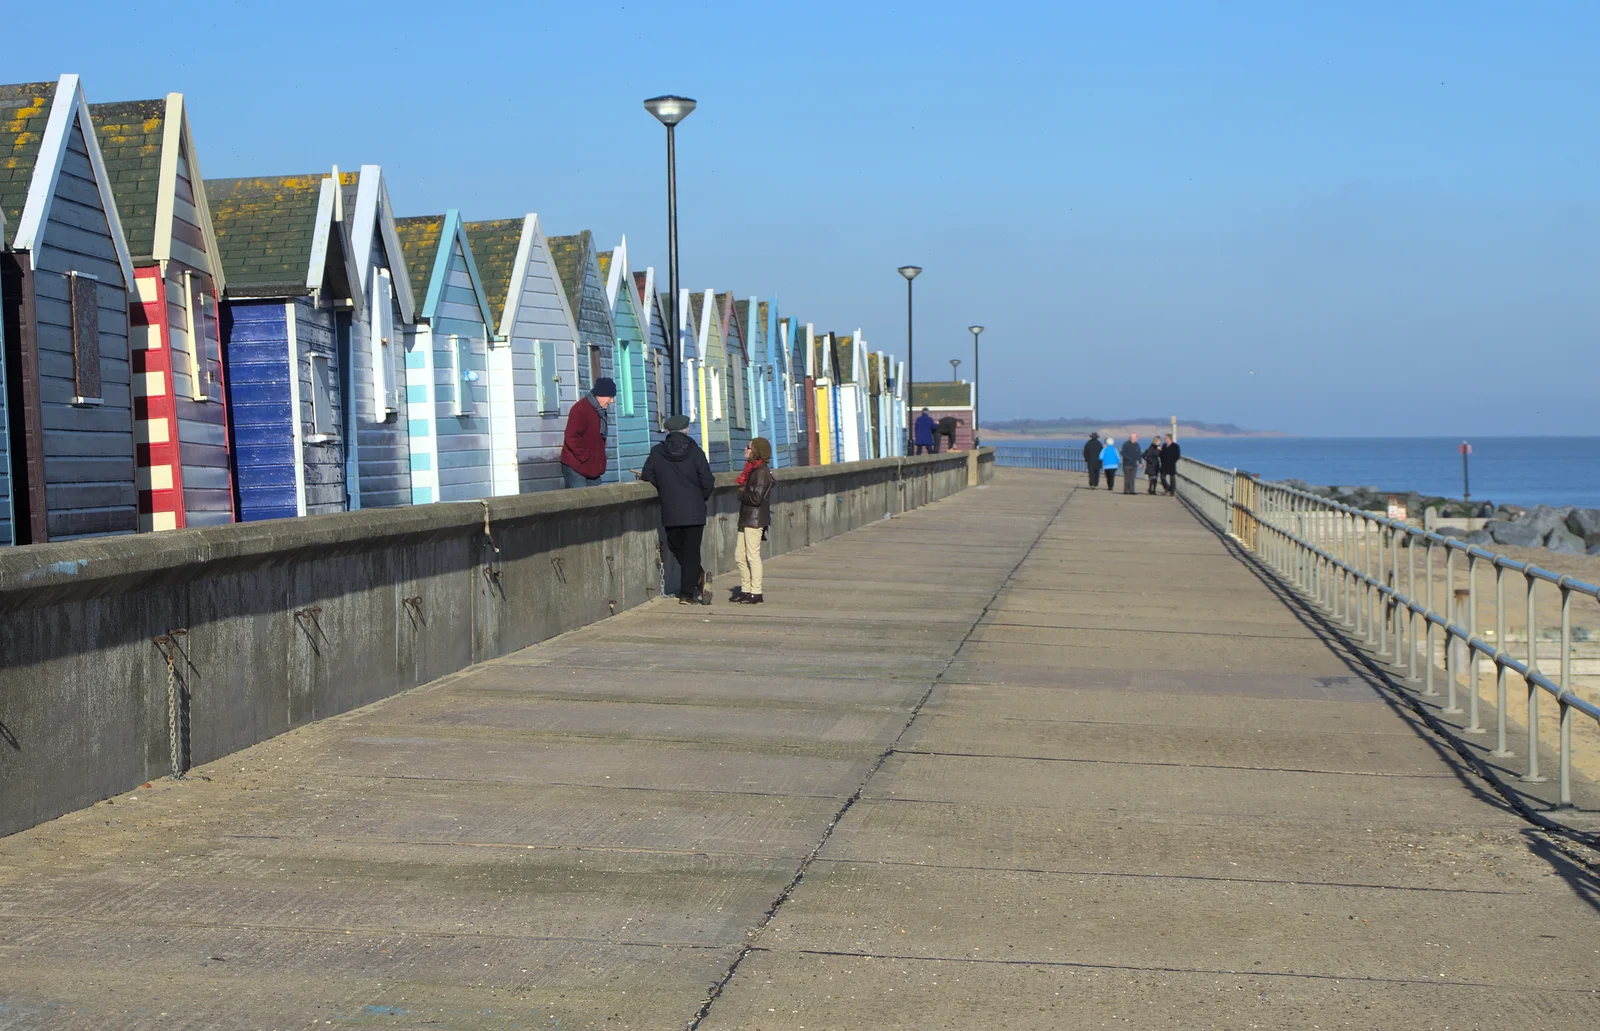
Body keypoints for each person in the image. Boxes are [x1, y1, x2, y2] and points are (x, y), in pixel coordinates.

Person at [640, 413, 716, 605]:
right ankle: (686, 593)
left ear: (668, 430)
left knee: (677, 547)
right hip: (694, 512)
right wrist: (700, 498)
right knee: (691, 552)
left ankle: (696, 578)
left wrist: (665, 488)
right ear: (686, 430)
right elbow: (708, 481)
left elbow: (647, 475)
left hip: (671, 510)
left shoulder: (657, 452)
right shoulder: (696, 452)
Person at [732, 437, 775, 604]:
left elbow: (756, 498)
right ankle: (746, 589)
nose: (745, 450)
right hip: (747, 518)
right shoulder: (752, 469)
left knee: (752, 556)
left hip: (755, 519)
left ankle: (756, 592)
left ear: (756, 451)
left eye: (748, 447)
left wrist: (741, 494)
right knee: (739, 556)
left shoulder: (761, 472)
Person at [560, 377, 616, 487]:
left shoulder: (601, 412)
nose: (612, 401)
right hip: (576, 466)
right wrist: (585, 457)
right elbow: (571, 437)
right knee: (579, 500)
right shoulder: (580, 409)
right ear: (600, 394)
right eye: (610, 397)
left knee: (597, 501)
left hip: (593, 468)